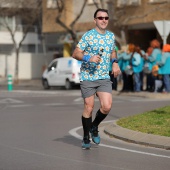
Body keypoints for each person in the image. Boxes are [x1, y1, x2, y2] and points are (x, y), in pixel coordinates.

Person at [72, 8, 121, 149]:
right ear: (95, 20)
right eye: (100, 18)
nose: (104, 20)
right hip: (88, 76)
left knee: (107, 106)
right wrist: (88, 57)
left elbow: (113, 51)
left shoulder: (111, 36)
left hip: (104, 76)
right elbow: (76, 53)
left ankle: (94, 127)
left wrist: (115, 62)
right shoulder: (88, 36)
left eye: (106, 18)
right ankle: (86, 136)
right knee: (89, 107)